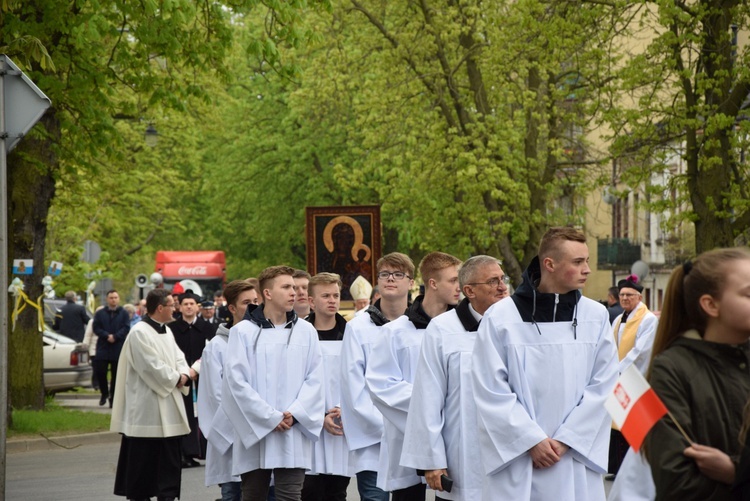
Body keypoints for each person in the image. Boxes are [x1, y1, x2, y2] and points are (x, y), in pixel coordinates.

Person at [471, 226, 618, 500]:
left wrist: (566, 440)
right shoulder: (501, 318)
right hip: (519, 460)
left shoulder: (596, 316)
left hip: (574, 457)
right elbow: (490, 388)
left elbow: (605, 385)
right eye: (578, 262)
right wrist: (530, 440)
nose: (587, 269)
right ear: (549, 264)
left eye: (587, 261)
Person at [643, 248, 750, 500]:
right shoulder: (672, 369)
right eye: (748, 293)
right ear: (711, 305)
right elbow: (676, 482)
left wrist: (737, 472)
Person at [402, 255, 510, 501]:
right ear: (469, 290)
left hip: (511, 453)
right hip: (462, 455)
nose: (502, 287)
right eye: (493, 281)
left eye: (502, 279)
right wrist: (432, 460)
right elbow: (427, 399)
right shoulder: (443, 329)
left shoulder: (519, 325)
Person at [222, 265, 325, 501]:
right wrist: (269, 417)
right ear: (267, 293)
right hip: (257, 429)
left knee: (290, 496)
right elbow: (236, 383)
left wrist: (295, 413)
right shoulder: (243, 332)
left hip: (292, 428)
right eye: (287, 287)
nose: (295, 293)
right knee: (253, 495)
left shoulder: (306, 331)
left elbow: (316, 378)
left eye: (297, 287)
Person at [366, 251, 462, 500]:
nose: (459, 286)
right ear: (433, 283)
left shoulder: (463, 330)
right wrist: (431, 405)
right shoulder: (394, 333)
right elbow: (381, 386)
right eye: (453, 280)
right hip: (406, 434)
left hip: (453, 431)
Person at [339, 252, 414, 501]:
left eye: (398, 274)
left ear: (411, 282)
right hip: (373, 440)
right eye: (384, 274)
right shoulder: (358, 327)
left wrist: (410, 424)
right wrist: (385, 425)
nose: (390, 279)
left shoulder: (422, 325)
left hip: (410, 437)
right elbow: (354, 386)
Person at [111, 288, 191, 501]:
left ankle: (168, 495)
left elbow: (179, 358)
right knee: (144, 462)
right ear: (160, 307)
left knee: (169, 461)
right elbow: (151, 367)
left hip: (169, 404)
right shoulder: (139, 332)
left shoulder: (167, 330)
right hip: (147, 408)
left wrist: (183, 373)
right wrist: (178, 378)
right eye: (172, 305)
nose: (175, 308)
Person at [198, 280, 260, 501]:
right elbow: (215, 396)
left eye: (256, 301)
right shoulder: (217, 346)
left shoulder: (265, 340)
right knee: (233, 492)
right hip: (232, 437)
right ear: (232, 308)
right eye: (246, 303)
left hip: (262, 432)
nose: (253, 306)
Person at [301, 272, 351, 501]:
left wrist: (344, 409)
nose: (332, 300)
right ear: (311, 301)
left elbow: (357, 378)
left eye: (336, 295)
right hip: (309, 424)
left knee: (337, 491)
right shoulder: (299, 336)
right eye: (325, 296)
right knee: (310, 491)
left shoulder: (351, 333)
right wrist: (318, 416)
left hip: (342, 423)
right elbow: (295, 383)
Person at [608, 274, 658, 478]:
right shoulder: (620, 318)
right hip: (618, 376)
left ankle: (635, 470)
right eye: (621, 295)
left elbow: (641, 351)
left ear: (639, 297)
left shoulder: (648, 319)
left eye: (629, 294)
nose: (624, 298)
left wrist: (618, 368)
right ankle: (619, 468)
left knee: (634, 425)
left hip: (637, 377)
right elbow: (610, 346)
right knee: (618, 426)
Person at [170, 288, 212, 468]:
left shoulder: (208, 328)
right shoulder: (171, 329)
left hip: (201, 379)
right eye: (185, 304)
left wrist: (196, 370)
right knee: (182, 414)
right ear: (179, 307)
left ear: (197, 307)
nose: (188, 307)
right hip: (179, 379)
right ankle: (183, 453)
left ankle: (200, 451)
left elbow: (210, 353)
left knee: (201, 415)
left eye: (191, 304)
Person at [93, 290, 130, 407]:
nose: (113, 300)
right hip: (103, 346)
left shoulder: (123, 313)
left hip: (117, 346)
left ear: (118, 299)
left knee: (116, 375)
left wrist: (116, 336)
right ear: (107, 299)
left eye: (115, 297)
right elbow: (96, 328)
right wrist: (106, 335)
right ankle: (104, 393)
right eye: (111, 298)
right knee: (100, 371)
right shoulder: (100, 313)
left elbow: (126, 327)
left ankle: (113, 398)